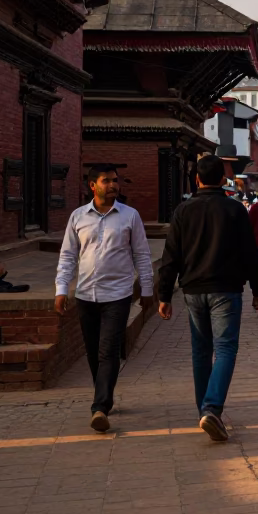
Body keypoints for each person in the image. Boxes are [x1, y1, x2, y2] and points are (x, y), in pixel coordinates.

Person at [156, 155, 258, 442]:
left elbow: (171, 256)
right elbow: (249, 252)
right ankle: (212, 408)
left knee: (201, 351)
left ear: (197, 180)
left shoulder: (182, 211)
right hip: (226, 288)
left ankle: (203, 410)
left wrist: (164, 294)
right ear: (222, 180)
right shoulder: (234, 210)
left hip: (192, 290)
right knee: (225, 349)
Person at [54, 165, 154, 433]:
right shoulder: (78, 217)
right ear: (92, 186)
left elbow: (142, 255)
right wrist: (61, 289)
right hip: (86, 295)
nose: (113, 185)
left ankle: (99, 407)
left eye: (115, 181)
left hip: (118, 294)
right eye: (106, 181)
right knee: (93, 351)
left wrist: (146, 289)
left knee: (108, 349)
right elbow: (67, 256)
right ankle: (104, 394)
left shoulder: (130, 216)